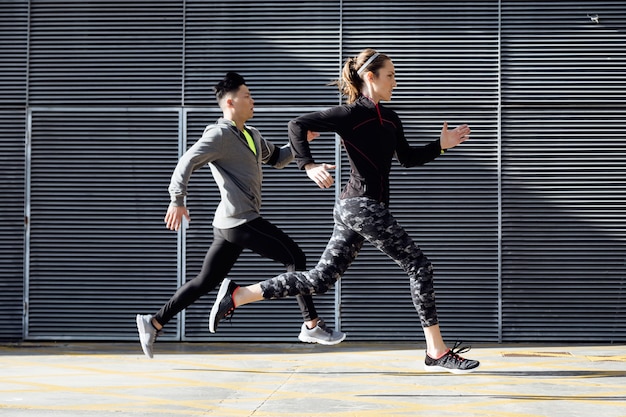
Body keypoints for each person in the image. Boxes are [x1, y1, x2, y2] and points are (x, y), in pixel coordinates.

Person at [208, 49, 480, 374]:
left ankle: (238, 295)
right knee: (419, 265)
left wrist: (440, 145)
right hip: (359, 205)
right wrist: (307, 165)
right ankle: (436, 351)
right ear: (370, 77)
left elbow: (406, 158)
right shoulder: (351, 115)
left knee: (321, 279)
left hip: (358, 209)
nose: (395, 81)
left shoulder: (391, 120)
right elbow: (297, 124)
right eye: (390, 75)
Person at [135, 72, 345, 359]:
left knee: (205, 281)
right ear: (231, 102)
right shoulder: (219, 135)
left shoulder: (251, 134)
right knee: (295, 258)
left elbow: (277, 159)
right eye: (247, 96)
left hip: (227, 225)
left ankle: (154, 321)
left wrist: (300, 143)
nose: (252, 100)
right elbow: (186, 162)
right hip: (241, 219)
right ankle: (311, 324)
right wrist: (177, 200)